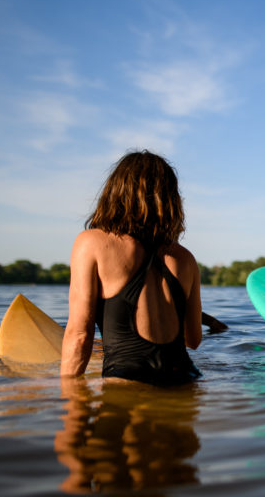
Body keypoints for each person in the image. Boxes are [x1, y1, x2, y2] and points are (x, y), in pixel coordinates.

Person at [61, 150, 204, 385]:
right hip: (184, 379)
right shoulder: (185, 258)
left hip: (128, 381)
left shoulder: (93, 243)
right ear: (170, 200)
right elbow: (193, 339)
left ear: (116, 192)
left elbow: (79, 335)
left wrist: (67, 399)